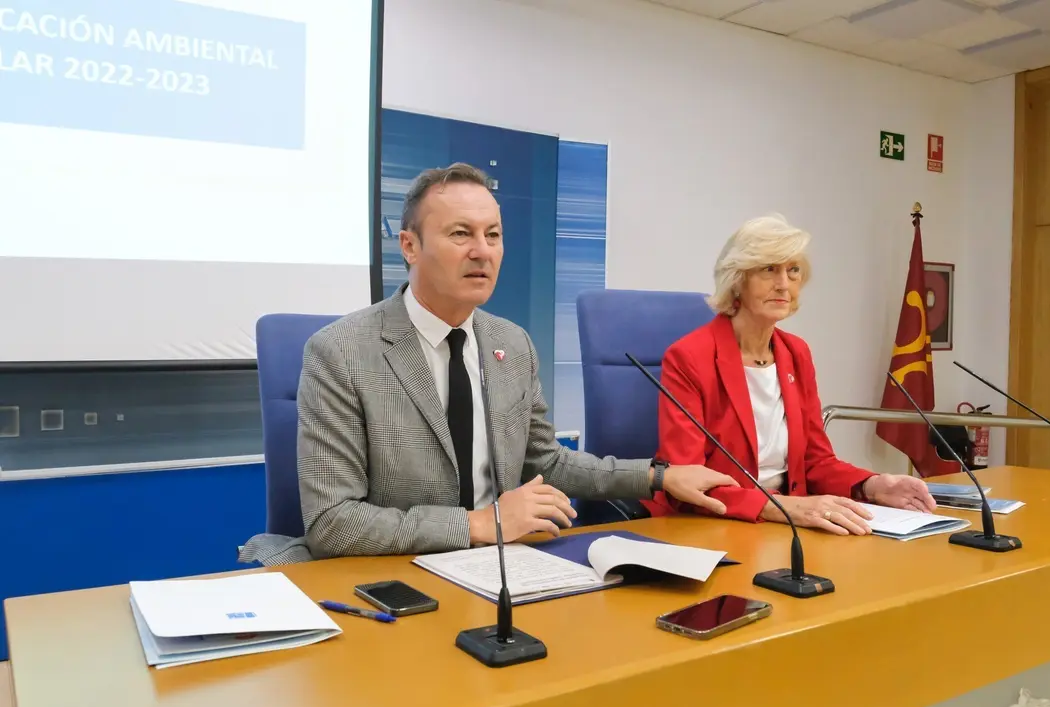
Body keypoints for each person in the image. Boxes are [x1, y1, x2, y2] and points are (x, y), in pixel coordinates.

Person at [240, 162, 737, 565]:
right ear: (409, 246)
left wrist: (657, 476)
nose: (482, 251)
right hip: (395, 577)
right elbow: (332, 523)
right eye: (461, 234)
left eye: (493, 235)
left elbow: (547, 463)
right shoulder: (340, 351)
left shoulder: (511, 343)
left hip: (503, 567)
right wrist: (480, 524)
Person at [644, 214, 936, 536]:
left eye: (793, 270)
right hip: (710, 526)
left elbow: (816, 461)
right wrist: (781, 506)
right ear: (737, 279)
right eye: (769, 269)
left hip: (785, 524)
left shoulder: (796, 353)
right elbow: (686, 480)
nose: (784, 284)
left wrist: (872, 485)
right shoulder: (689, 357)